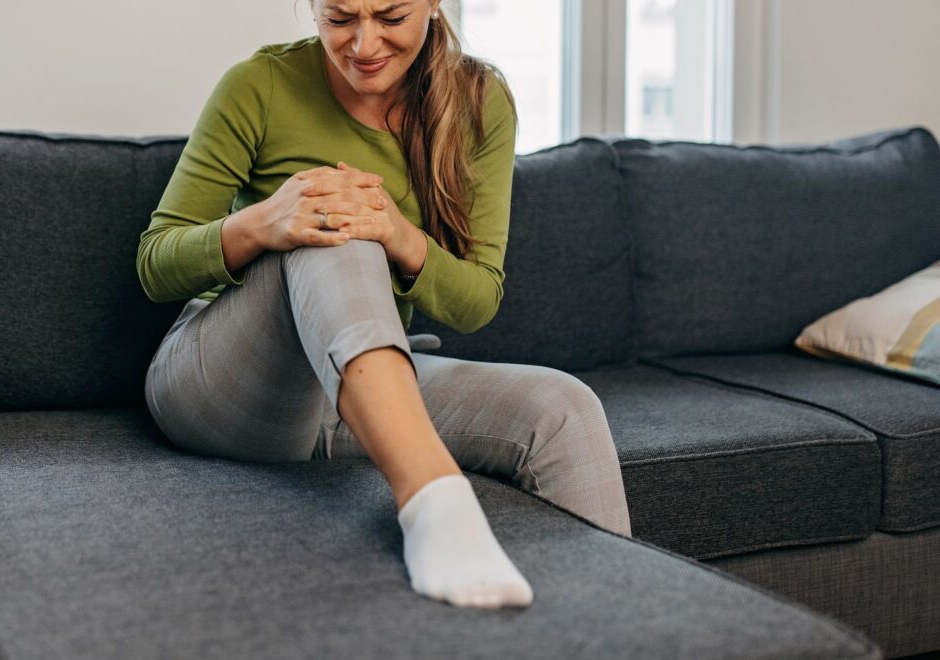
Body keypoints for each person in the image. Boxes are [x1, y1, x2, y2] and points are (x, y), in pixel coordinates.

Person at [137, 0, 632, 610]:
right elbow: (156, 264)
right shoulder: (260, 85)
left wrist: (398, 234)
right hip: (225, 386)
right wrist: (268, 221)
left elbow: (477, 300)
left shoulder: (481, 102)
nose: (363, 45)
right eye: (339, 18)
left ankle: (614, 633)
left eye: (391, 17)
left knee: (564, 409)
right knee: (336, 222)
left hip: (356, 387)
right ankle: (434, 501)